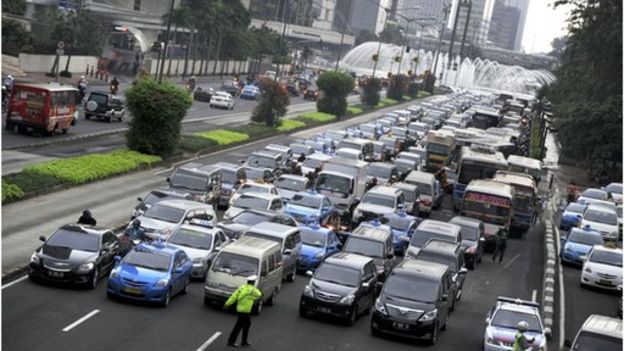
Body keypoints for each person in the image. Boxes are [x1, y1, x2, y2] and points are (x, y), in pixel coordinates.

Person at [225, 275, 262, 347]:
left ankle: (242, 341)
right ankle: (233, 341)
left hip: (240, 308)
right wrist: (251, 298)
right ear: (253, 282)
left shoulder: (242, 287)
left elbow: (234, 296)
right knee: (240, 325)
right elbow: (259, 294)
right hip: (246, 310)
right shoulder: (252, 289)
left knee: (246, 324)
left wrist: (227, 304)